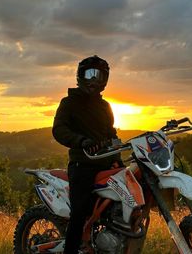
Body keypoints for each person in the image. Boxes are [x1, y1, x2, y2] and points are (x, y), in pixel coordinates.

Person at [52, 55, 123, 254]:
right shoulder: (69, 102)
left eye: (100, 75)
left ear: (105, 79)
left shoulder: (105, 106)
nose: (94, 79)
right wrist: (81, 142)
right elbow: (59, 130)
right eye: (90, 73)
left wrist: (118, 156)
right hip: (82, 164)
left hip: (106, 163)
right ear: (80, 76)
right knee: (79, 213)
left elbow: (111, 133)